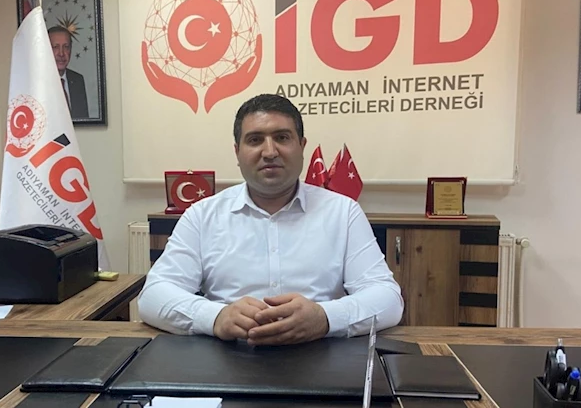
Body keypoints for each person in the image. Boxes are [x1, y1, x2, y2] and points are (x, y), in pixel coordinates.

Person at [137, 93, 404, 346]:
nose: (269, 151)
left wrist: (325, 318)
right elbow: (154, 295)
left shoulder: (343, 212)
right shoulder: (202, 215)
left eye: (282, 137)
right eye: (255, 140)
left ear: (302, 146)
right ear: (237, 152)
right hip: (226, 355)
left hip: (320, 351)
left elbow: (387, 298)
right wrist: (215, 317)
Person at [48, 26, 89, 119]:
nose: (61, 53)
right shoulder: (37, 83)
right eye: (55, 47)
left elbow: (84, 120)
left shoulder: (78, 80)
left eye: (66, 47)